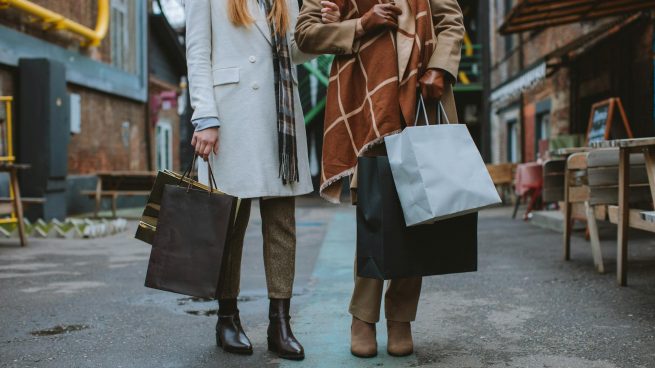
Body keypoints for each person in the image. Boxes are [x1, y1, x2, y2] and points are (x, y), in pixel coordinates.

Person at [295, 0, 465, 358]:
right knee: (373, 212)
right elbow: (305, 34)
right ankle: (364, 317)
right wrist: (359, 25)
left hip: (420, 94)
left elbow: (450, 21)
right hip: (364, 102)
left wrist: (440, 67)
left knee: (419, 213)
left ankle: (401, 318)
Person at [184, 0, 339, 360]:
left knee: (282, 222)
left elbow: (294, 50)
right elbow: (197, 52)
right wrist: (204, 116)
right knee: (229, 224)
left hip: (277, 116)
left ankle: (279, 324)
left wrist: (322, 27)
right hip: (231, 115)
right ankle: (227, 318)